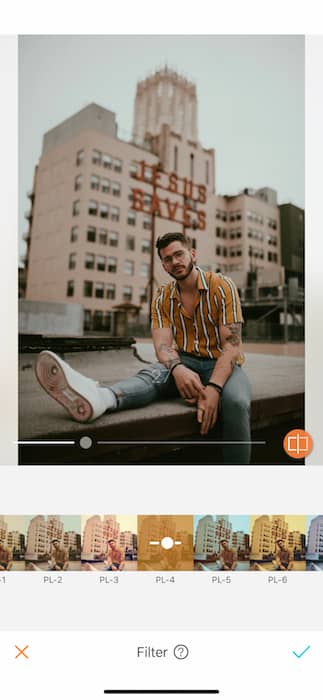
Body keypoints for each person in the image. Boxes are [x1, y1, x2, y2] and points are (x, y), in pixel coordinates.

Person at [35, 232, 251, 464]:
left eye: (179, 254)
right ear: (163, 265)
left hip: (222, 364)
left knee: (237, 403)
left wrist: (214, 389)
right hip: (185, 360)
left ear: (193, 254)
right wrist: (178, 369)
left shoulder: (221, 285)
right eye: (167, 259)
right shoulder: (162, 296)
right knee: (152, 375)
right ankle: (101, 398)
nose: (175, 262)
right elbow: (162, 345)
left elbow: (231, 347)